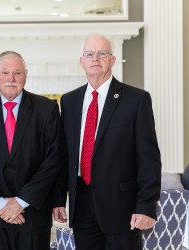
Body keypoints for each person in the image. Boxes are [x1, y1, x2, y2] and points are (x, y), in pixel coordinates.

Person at [52, 34, 162, 250]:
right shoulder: (69, 100)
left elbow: (149, 158)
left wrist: (146, 206)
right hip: (81, 204)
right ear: (81, 61)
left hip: (122, 208)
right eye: (89, 54)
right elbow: (64, 155)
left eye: (102, 53)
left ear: (112, 60)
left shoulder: (136, 99)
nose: (95, 59)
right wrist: (58, 198)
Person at [0, 51, 61, 250]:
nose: (11, 79)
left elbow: (53, 160)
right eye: (5, 72)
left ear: (26, 75)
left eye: (17, 73)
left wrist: (21, 201)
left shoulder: (46, 109)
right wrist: (1, 204)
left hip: (33, 212)